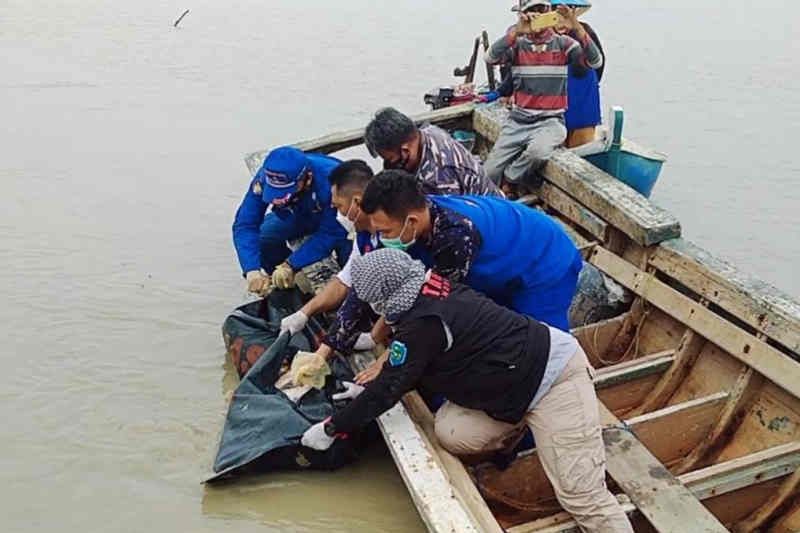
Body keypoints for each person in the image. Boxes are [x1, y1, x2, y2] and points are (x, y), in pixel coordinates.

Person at [300, 249, 633, 533]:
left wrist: (332, 427)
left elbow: (390, 387)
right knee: (450, 432)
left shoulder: (423, 323)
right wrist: (367, 393)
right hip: (509, 381)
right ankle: (519, 428)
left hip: (554, 378)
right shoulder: (427, 289)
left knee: (580, 495)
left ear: (383, 296)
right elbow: (404, 369)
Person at [483, 0, 603, 192]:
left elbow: (596, 62)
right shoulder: (517, 44)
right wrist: (515, 32)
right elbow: (490, 58)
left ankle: (510, 180)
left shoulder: (564, 44)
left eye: (542, 10)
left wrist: (577, 28)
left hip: (552, 120)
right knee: (488, 171)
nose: (537, 16)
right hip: (517, 122)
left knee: (538, 153)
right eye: (532, 11)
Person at [232, 146, 351, 295]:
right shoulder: (264, 178)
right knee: (264, 239)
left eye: (285, 192)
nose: (279, 197)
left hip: (335, 218)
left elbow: (333, 232)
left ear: (307, 179)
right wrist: (251, 270)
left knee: (349, 261)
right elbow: (245, 224)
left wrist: (292, 263)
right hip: (295, 215)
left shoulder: (333, 179)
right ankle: (285, 286)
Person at [364, 107, 502, 196]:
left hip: (490, 220)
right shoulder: (426, 132)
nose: (390, 166)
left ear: (405, 151)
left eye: (392, 161)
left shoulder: (439, 174)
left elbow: (451, 222)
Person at [553, 0, 605, 147]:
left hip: (582, 102)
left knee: (581, 147)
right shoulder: (544, 37)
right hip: (554, 106)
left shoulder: (586, 33)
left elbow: (599, 64)